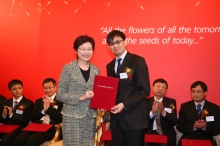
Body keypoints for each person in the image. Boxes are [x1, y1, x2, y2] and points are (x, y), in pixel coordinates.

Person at [106, 30, 150, 146]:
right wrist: (104, 103)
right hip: (116, 121)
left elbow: (144, 90)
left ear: (125, 42)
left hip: (134, 119)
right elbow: (112, 91)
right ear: (109, 47)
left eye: (118, 42)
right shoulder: (109, 66)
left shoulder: (137, 61)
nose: (115, 46)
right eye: (111, 43)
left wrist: (124, 105)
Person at [56, 35, 100, 146]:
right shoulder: (68, 68)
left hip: (90, 117)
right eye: (83, 49)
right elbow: (59, 95)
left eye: (89, 49)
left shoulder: (96, 70)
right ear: (76, 50)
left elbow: (97, 93)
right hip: (72, 118)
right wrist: (81, 97)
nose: (86, 52)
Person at [13, 78, 63, 146]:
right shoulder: (39, 101)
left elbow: (61, 117)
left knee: (31, 140)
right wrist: (43, 111)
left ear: (55, 87)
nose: (48, 90)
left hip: (51, 128)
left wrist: (48, 108)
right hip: (37, 126)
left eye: (50, 87)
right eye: (45, 88)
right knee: (19, 139)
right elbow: (32, 118)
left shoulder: (62, 101)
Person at [177, 81, 220, 146]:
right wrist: (193, 126)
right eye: (193, 91)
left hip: (206, 138)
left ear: (205, 93)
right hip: (188, 137)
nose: (195, 94)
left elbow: (217, 128)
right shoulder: (185, 107)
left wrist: (205, 127)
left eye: (198, 91)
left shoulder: (214, 108)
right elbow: (180, 126)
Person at [0, 79, 34, 146]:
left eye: (19, 88)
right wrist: (3, 115)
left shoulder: (29, 103)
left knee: (6, 139)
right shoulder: (7, 102)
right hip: (7, 127)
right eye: (14, 89)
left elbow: (25, 120)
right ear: (10, 91)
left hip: (20, 128)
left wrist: (11, 114)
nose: (17, 91)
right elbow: (2, 119)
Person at [145, 78, 177, 146]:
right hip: (149, 133)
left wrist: (163, 112)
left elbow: (174, 121)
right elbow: (141, 120)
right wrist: (152, 112)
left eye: (163, 87)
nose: (160, 89)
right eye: (158, 86)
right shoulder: (146, 102)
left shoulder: (171, 102)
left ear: (166, 90)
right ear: (153, 89)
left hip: (165, 134)